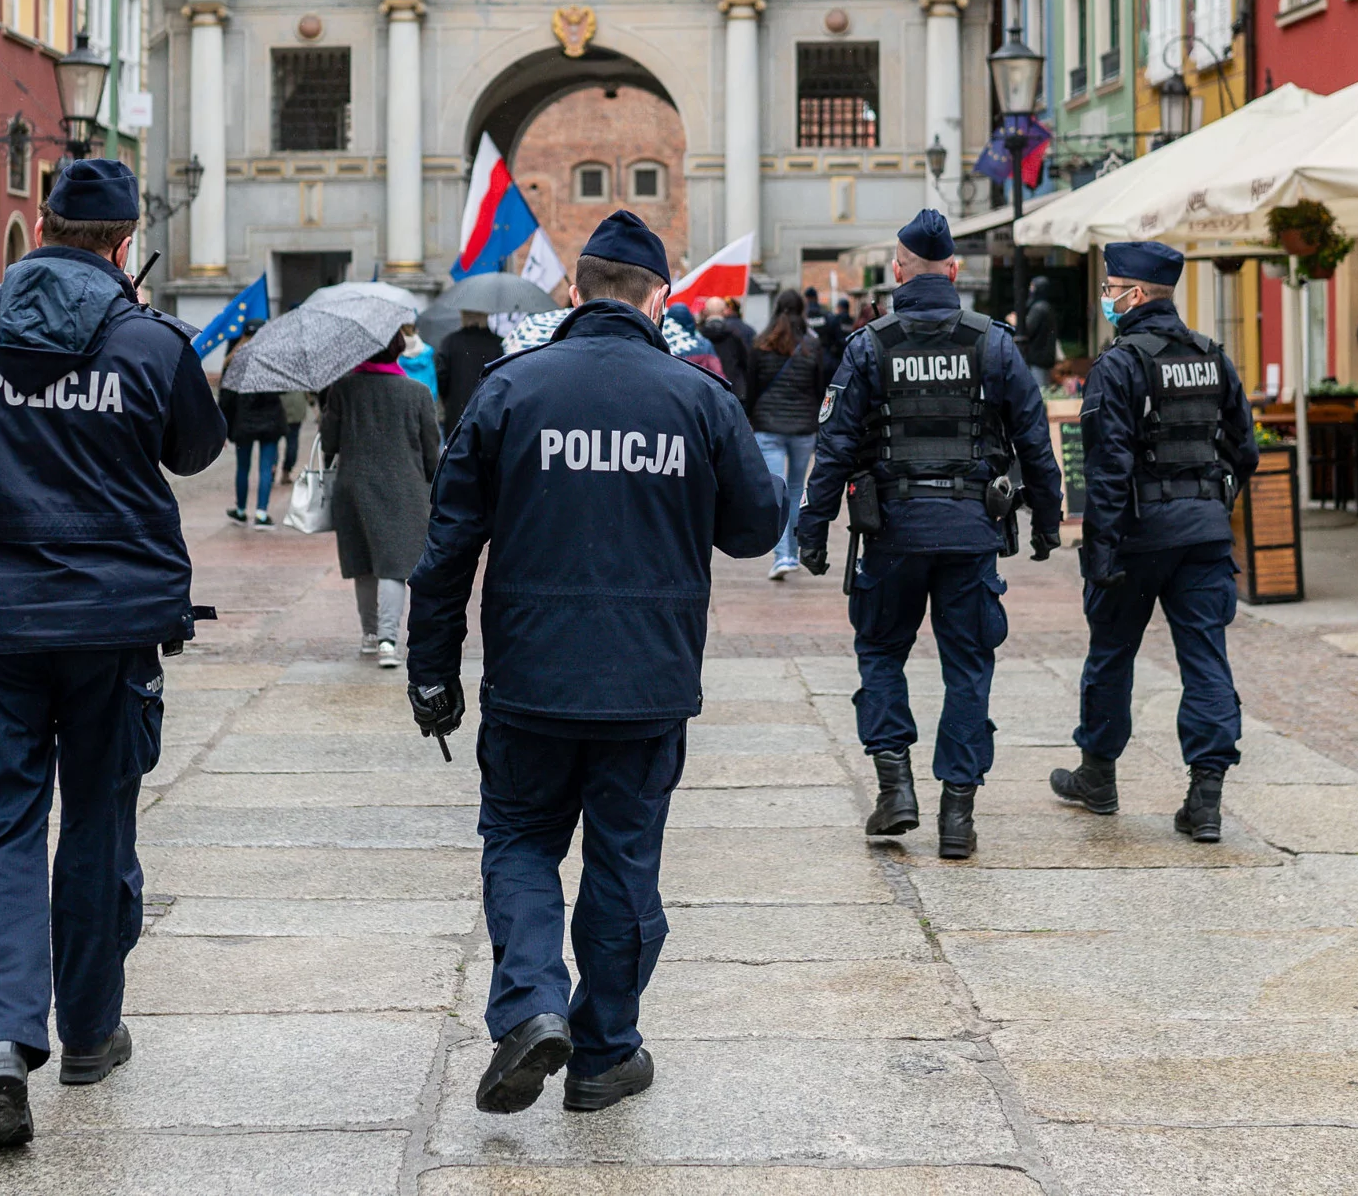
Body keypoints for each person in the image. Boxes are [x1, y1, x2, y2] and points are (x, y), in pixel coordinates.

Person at [409, 210, 783, 1117]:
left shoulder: (509, 390)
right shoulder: (697, 397)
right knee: (624, 863)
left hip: (532, 674)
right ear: (659, 299)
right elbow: (757, 529)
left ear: (574, 291)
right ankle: (605, 1051)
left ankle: (533, 1005)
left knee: (522, 841)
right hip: (648, 680)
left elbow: (445, 548)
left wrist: (432, 673)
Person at [0, 159, 227, 1146]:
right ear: (124, 240)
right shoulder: (145, 339)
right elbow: (196, 450)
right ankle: (85, 1029)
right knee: (96, 819)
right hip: (114, 626)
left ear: (41, 226)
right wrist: (145, 333)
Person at [796, 211, 1064, 859]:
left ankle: (896, 790)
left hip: (893, 532)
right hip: (971, 531)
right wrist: (1048, 524)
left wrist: (813, 530)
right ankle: (958, 816)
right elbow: (1034, 442)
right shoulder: (994, 344)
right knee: (968, 666)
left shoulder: (869, 345)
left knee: (882, 652)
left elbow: (833, 448)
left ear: (897, 271)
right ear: (953, 270)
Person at [1046, 241, 1258, 844]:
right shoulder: (1212, 356)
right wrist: (1211, 506)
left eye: (1112, 288)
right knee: (1206, 659)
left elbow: (1107, 470)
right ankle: (1207, 797)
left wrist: (1101, 552)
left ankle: (1098, 777)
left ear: (1136, 295)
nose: (1107, 298)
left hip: (1138, 536)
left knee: (1112, 654)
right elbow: (1244, 452)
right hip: (1204, 535)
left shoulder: (1119, 366)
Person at [321, 331, 443, 668]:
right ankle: (389, 640)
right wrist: (433, 482)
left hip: (354, 487)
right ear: (398, 351)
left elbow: (329, 443)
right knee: (395, 565)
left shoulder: (343, 389)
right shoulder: (417, 392)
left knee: (364, 564)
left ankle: (370, 635)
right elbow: (431, 450)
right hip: (403, 489)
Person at [746, 290, 832, 580]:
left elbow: (751, 389)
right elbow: (820, 388)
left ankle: (781, 555)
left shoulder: (761, 344)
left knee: (776, 492)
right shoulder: (812, 346)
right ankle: (792, 553)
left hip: (768, 427)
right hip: (803, 428)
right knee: (796, 491)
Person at [217, 334, 287, 526]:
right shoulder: (273, 360)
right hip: (270, 423)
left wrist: (222, 426)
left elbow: (226, 397)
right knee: (266, 469)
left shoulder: (236, 362)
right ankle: (262, 515)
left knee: (243, 468)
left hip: (244, 424)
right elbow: (284, 389)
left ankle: (240, 511)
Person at [438, 309, 508, 433]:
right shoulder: (498, 344)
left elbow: (441, 377)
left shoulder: (450, 342)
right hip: (489, 411)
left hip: (457, 411)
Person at [1014, 274, 1060, 392]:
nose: (1031, 290)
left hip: (1038, 360)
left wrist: (1016, 322)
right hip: (1045, 359)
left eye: (1033, 287)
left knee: (1039, 392)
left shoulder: (1038, 309)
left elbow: (1027, 331)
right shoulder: (1047, 307)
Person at [278, 387, 309, 476]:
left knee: (273, 443)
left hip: (280, 408)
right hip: (296, 407)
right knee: (292, 441)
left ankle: (273, 467)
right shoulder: (299, 374)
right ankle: (286, 471)